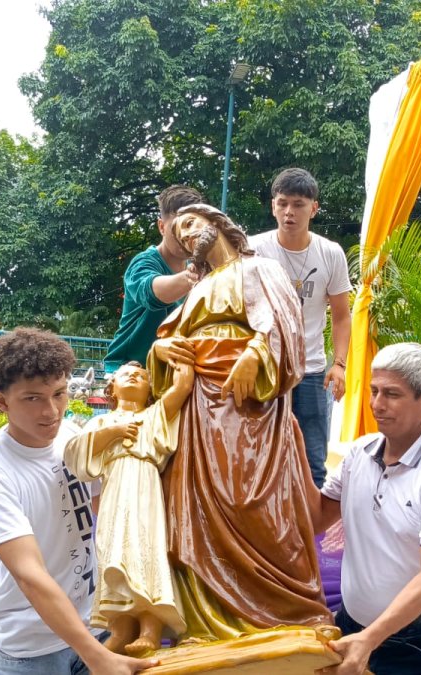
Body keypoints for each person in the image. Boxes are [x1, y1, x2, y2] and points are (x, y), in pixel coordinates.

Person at [148, 203, 332, 641]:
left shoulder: (260, 270)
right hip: (196, 415)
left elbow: (286, 328)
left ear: (218, 223)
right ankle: (208, 623)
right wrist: (160, 352)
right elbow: (170, 338)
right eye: (180, 231)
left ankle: (282, 610)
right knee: (196, 513)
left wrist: (256, 353)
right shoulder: (198, 287)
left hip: (248, 406)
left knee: (252, 504)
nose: (188, 234)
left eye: (193, 223)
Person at [0, 328, 156, 674]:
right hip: (30, 654)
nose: (52, 411)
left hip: (94, 631)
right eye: (33, 398)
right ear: (1, 402)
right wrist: (98, 658)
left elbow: (108, 513)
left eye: (59, 394)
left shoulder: (72, 437)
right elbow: (30, 575)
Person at [314, 343, 421, 675]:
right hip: (352, 627)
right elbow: (313, 521)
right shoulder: (359, 454)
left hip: (415, 645)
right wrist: (287, 451)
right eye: (373, 391)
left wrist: (369, 639)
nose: (376, 404)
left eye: (392, 394)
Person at [62, 360, 195, 657]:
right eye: (126, 374)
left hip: (145, 487)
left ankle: (150, 628)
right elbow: (76, 458)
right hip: (113, 493)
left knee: (144, 548)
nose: (134, 376)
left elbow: (183, 385)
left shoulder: (154, 415)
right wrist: (115, 432)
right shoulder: (100, 422)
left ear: (150, 390)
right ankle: (121, 628)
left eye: (141, 375)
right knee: (113, 551)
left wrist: (169, 353)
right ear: (112, 388)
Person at [249, 168, 351, 488]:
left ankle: (311, 537)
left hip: (310, 369)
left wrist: (340, 364)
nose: (289, 212)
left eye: (298, 204)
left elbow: (342, 315)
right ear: (273, 206)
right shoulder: (254, 249)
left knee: (313, 460)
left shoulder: (330, 253)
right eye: (282, 204)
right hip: (265, 367)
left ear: (314, 208)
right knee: (258, 455)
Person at [104, 185, 207, 373]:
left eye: (193, 225)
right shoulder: (143, 263)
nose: (186, 235)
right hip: (129, 371)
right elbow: (152, 293)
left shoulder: (201, 270)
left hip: (171, 372)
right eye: (178, 226)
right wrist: (192, 276)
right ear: (161, 226)